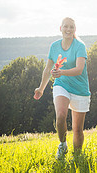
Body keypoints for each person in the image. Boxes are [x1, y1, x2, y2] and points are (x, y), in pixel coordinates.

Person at [34, 17, 90, 159]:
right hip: (61, 84)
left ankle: (77, 158)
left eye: (71, 27)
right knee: (60, 116)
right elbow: (47, 69)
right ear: (60, 28)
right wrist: (41, 88)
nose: (68, 29)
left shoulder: (79, 46)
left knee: (77, 130)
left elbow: (79, 69)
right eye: (66, 26)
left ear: (75, 29)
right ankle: (62, 144)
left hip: (80, 89)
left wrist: (61, 72)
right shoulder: (54, 46)